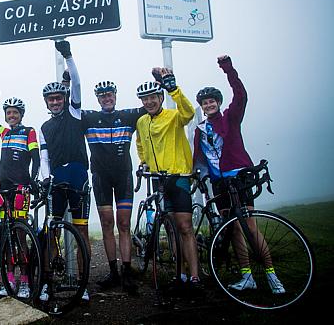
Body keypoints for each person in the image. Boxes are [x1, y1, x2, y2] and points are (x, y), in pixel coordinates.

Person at [193, 55, 285, 294]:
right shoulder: (201, 130)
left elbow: (241, 94)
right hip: (219, 183)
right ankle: (247, 277)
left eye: (212, 101)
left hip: (239, 178)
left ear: (218, 103)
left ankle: (271, 275)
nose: (209, 105)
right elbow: (200, 159)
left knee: (250, 227)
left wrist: (228, 69)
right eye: (205, 103)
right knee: (233, 228)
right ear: (201, 107)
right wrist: (201, 179)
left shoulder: (231, 118)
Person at [134, 68, 202, 292]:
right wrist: (143, 162)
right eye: (145, 99)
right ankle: (179, 275)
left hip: (179, 176)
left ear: (160, 98)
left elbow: (189, 112)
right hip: (158, 180)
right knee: (171, 228)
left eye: (153, 97)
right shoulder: (142, 121)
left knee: (185, 227)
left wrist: (173, 88)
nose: (149, 101)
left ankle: (195, 277)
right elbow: (141, 144)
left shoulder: (174, 116)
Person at [38, 40, 91, 302]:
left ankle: (84, 283)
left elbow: (78, 83)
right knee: (52, 231)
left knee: (81, 230)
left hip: (79, 176)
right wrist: (45, 177)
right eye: (52, 99)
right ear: (47, 102)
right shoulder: (44, 127)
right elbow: (43, 156)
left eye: (59, 97)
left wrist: (68, 55)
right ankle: (49, 283)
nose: (56, 101)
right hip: (57, 178)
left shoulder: (74, 112)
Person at [82, 80, 146, 294]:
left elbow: (153, 105)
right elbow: (70, 108)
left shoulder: (128, 116)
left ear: (115, 96)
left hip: (122, 177)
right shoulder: (89, 118)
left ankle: (127, 271)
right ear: (98, 99)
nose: (106, 98)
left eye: (110, 95)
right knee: (107, 224)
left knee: (124, 224)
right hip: (101, 177)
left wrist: (163, 81)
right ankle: (113, 272)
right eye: (102, 96)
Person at [0, 88, 40, 299]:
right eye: (8, 113)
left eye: (15, 113)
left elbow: (36, 158)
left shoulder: (29, 131)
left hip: (21, 186)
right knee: (7, 235)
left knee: (20, 235)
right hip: (3, 186)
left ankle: (26, 281)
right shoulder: (5, 132)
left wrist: (32, 181)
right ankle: (9, 279)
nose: (11, 116)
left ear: (21, 114)